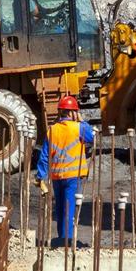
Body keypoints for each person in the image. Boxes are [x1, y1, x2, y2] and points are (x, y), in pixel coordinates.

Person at [35, 95, 94, 248]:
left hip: (57, 177)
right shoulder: (79, 127)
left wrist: (40, 176)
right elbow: (92, 136)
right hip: (73, 177)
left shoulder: (52, 130)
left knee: (61, 209)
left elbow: (44, 156)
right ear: (73, 113)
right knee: (69, 209)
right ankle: (66, 243)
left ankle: (61, 239)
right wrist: (80, 120)